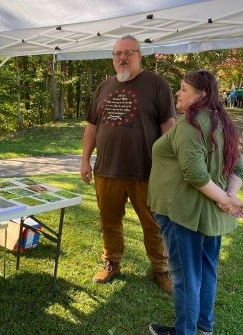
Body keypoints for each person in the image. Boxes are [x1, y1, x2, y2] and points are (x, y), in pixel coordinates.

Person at [147, 70, 243, 335]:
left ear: (201, 95)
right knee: (205, 271)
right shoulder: (223, 122)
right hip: (211, 215)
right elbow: (238, 171)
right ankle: (203, 326)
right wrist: (228, 198)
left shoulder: (190, 124)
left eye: (183, 89)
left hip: (183, 214)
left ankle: (186, 332)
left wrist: (227, 199)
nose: (178, 93)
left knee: (186, 277)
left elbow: (195, 174)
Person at [80, 35, 176, 292]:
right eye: (117, 54)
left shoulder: (157, 84)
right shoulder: (103, 87)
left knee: (153, 223)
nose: (122, 58)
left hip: (146, 171)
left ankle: (161, 268)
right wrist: (84, 161)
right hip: (107, 171)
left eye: (128, 53)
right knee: (109, 221)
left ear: (139, 55)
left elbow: (169, 127)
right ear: (113, 58)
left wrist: (169, 165)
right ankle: (111, 262)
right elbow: (91, 127)